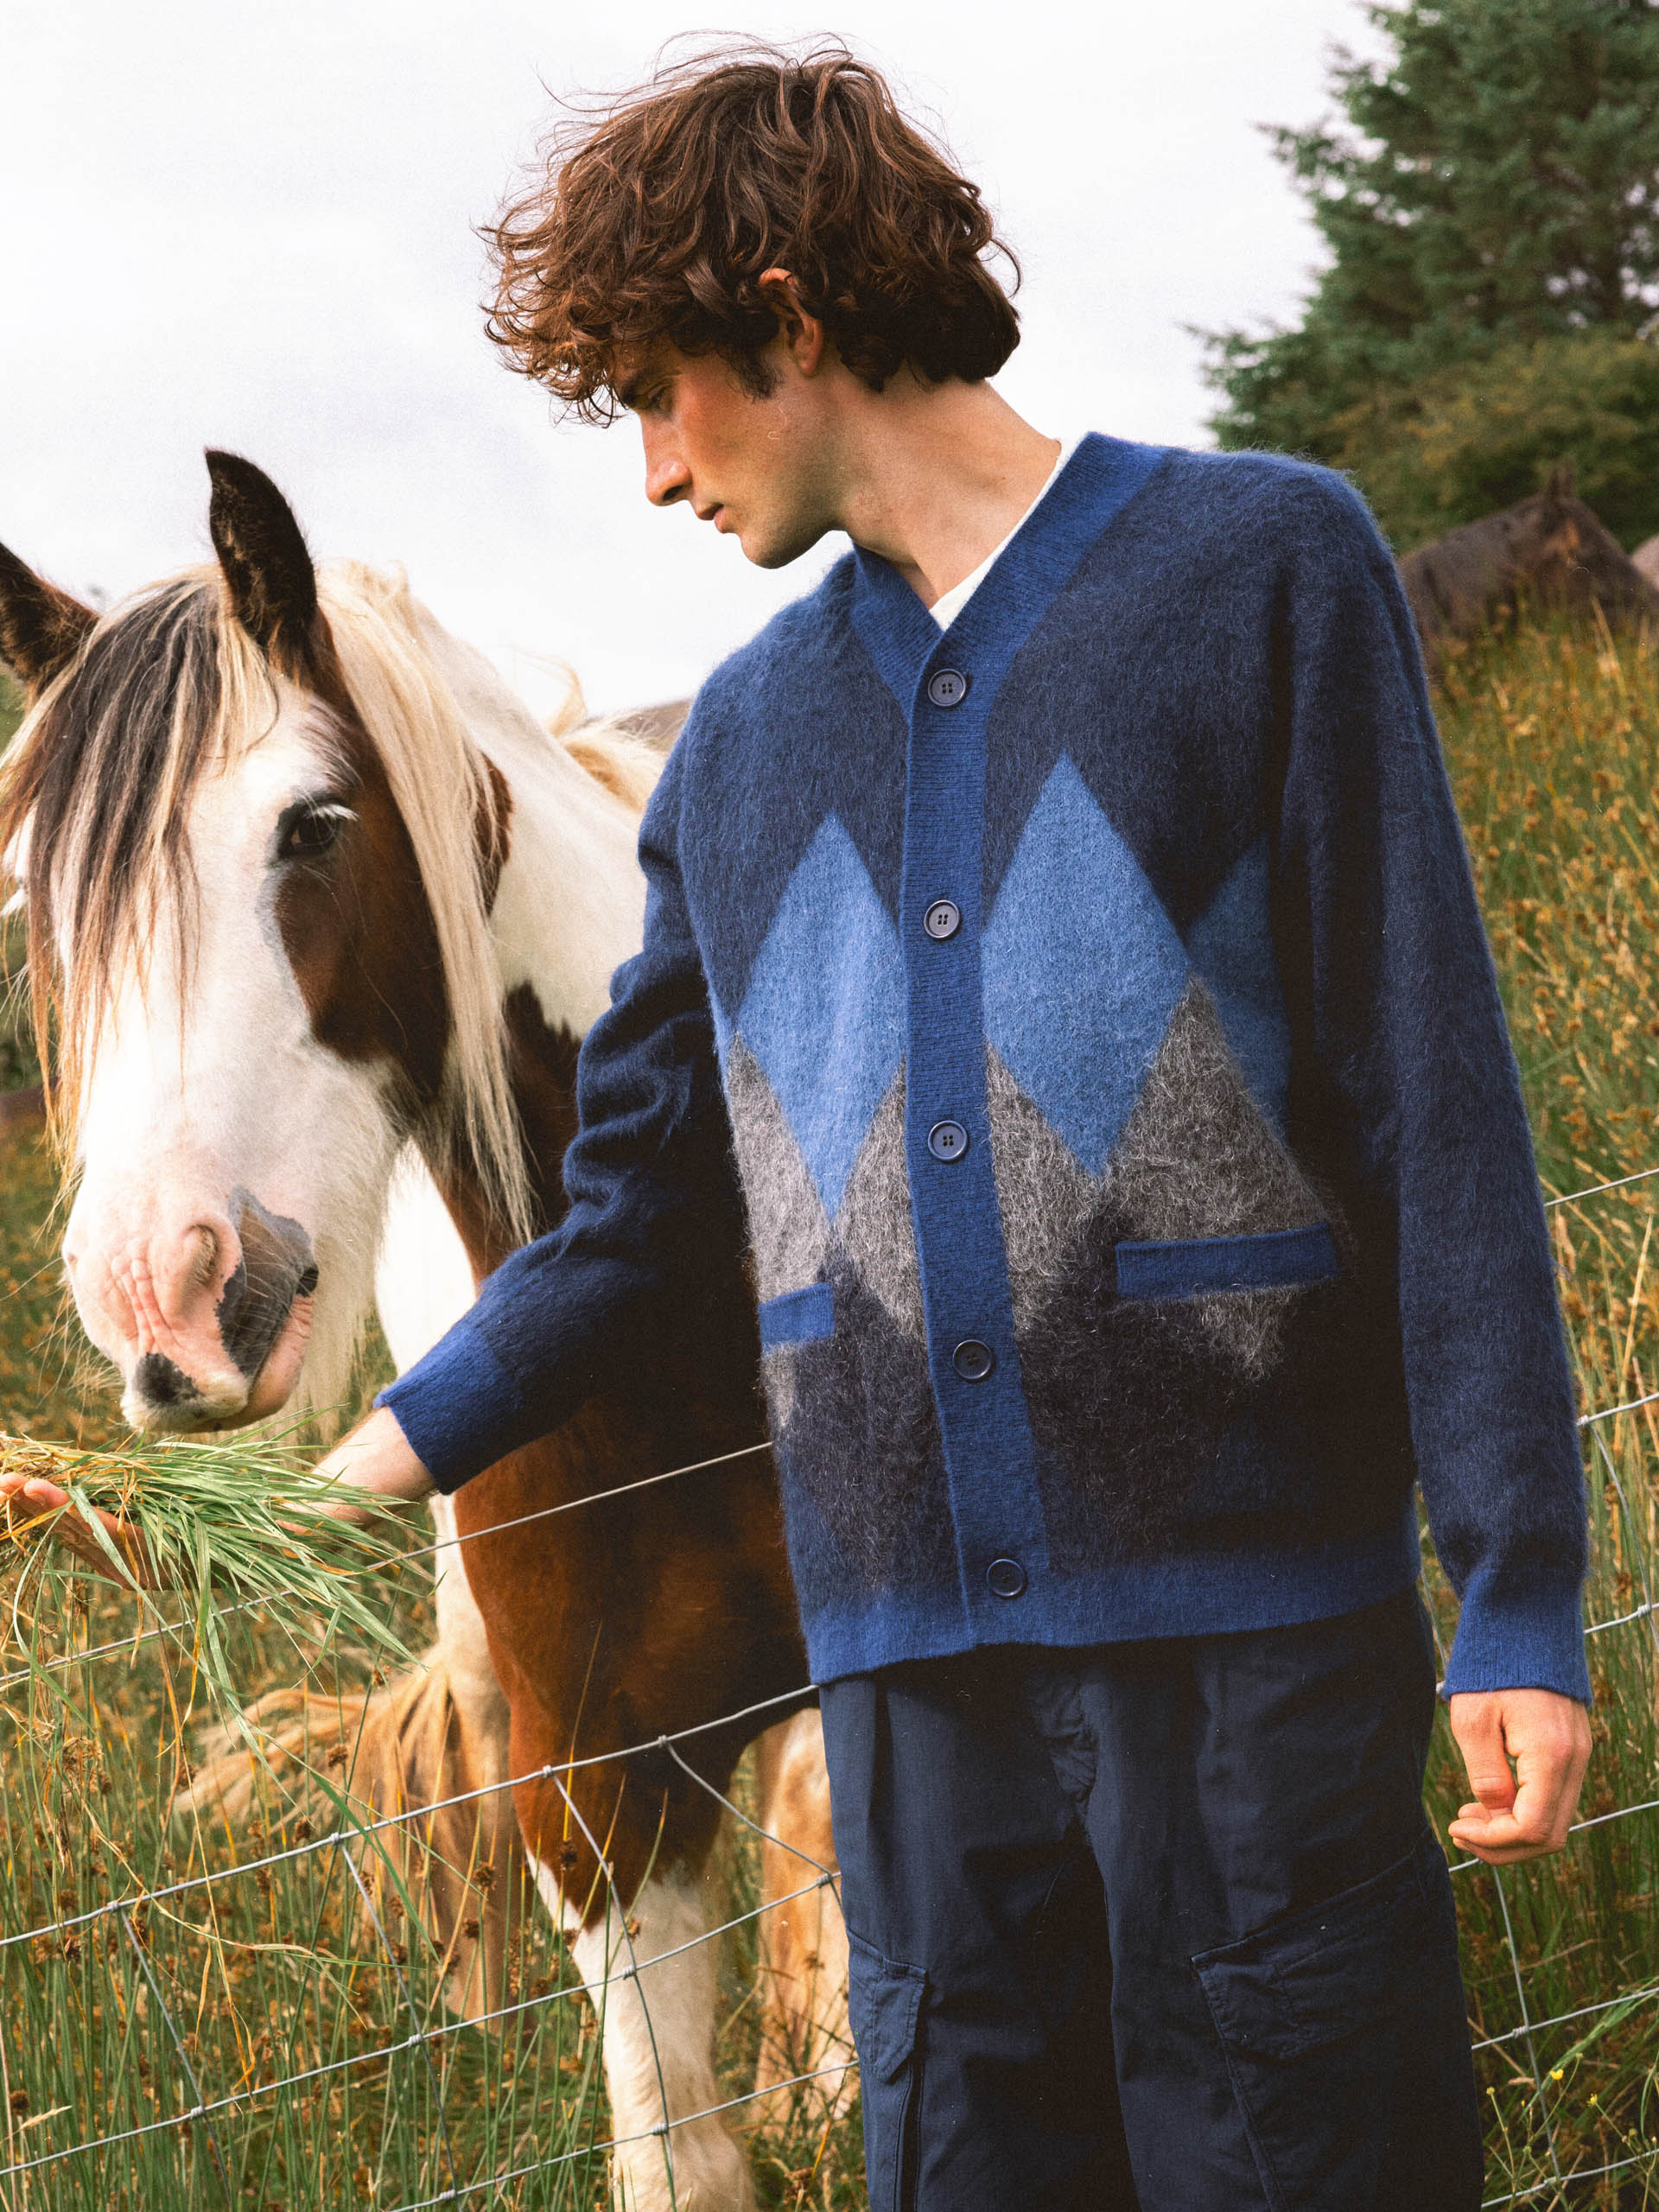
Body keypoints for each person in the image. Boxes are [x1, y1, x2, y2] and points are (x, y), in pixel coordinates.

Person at [17, 44, 1594, 2209]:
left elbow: (1441, 1106)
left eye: (662, 391)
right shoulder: (749, 745)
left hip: (1246, 1671)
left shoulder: (1259, 572)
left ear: (793, 312)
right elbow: (632, 1207)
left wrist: (1517, 1593)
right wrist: (328, 1482)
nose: (655, 470)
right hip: (916, 1725)